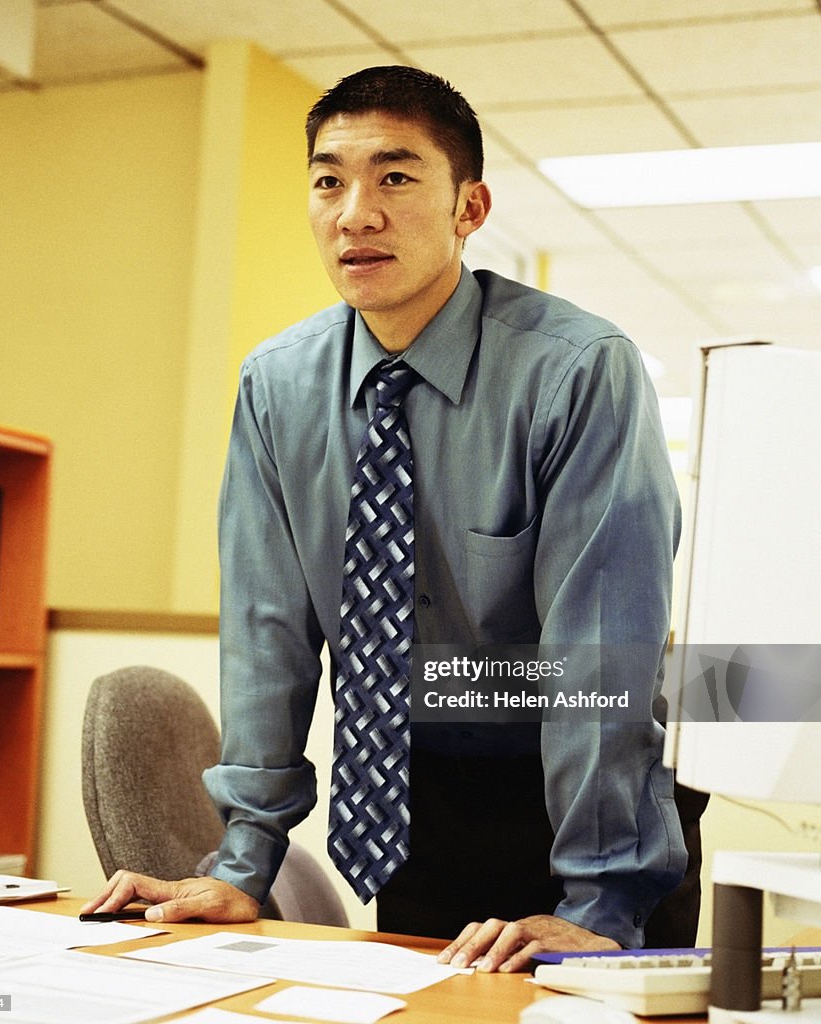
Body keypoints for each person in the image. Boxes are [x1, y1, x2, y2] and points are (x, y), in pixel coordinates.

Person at [83, 65, 696, 971]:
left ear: (469, 207)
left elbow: (598, 657)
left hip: (606, 802)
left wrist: (602, 903)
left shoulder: (577, 371)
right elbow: (268, 636)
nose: (354, 213)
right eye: (329, 179)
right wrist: (244, 867)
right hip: (416, 800)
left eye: (395, 177)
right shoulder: (277, 386)